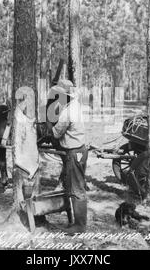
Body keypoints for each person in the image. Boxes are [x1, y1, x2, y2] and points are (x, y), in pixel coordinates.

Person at [47, 80, 88, 233]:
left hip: (73, 152)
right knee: (76, 187)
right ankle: (78, 223)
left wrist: (49, 126)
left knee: (77, 189)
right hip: (81, 150)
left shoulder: (68, 112)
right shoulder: (75, 105)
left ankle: (79, 226)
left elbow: (57, 133)